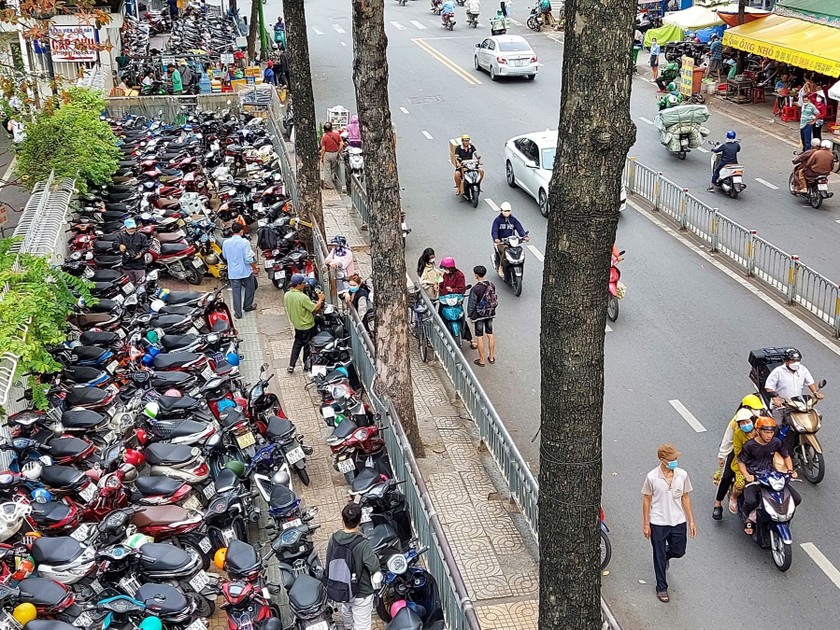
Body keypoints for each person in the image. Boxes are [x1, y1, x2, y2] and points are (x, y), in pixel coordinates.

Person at [641, 444, 696, 604]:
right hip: (658, 522)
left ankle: (665, 556)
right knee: (658, 554)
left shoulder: (682, 475)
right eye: (671, 459)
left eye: (676, 459)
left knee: (679, 551)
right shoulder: (652, 477)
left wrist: (691, 520)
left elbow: (685, 497)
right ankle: (661, 587)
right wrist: (646, 524)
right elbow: (646, 499)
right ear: (662, 460)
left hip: (678, 520)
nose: (674, 462)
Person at [738, 417, 801, 535]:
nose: (769, 435)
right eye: (766, 432)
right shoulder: (749, 445)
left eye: (771, 432)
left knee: (796, 498)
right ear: (759, 431)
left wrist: (790, 470)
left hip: (771, 476)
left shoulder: (776, 442)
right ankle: (749, 518)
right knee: (750, 500)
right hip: (754, 476)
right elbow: (741, 462)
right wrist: (747, 475)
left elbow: (786, 456)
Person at [325, 502, 381, 630]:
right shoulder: (362, 543)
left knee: (347, 615)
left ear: (342, 519)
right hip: (361, 592)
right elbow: (373, 566)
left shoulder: (334, 538)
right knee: (362, 626)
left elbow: (328, 563)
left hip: (341, 590)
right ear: (360, 520)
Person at [712, 395, 766, 520]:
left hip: (756, 451)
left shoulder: (760, 421)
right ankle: (718, 503)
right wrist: (722, 456)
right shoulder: (735, 423)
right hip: (737, 451)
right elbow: (727, 441)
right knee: (726, 476)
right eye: (754, 409)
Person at [764, 347, 824, 424]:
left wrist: (815, 392)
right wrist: (775, 399)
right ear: (786, 361)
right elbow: (769, 387)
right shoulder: (778, 371)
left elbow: (810, 382)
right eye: (793, 361)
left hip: (798, 404)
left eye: (798, 361)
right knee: (777, 425)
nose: (796, 363)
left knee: (817, 417)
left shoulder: (802, 369)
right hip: (782, 405)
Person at [284, 273, 325, 373]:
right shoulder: (302, 297)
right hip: (307, 326)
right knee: (308, 346)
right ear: (298, 285)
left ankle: (291, 365)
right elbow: (315, 308)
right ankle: (306, 365)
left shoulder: (287, 295)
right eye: (303, 283)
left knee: (297, 345)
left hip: (297, 325)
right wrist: (320, 299)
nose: (304, 285)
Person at [221, 223, 258, 319]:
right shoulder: (244, 242)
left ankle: (238, 313)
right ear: (241, 231)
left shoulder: (226, 243)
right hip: (245, 271)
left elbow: (224, 256)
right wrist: (254, 268)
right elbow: (248, 258)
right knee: (250, 288)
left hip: (233, 272)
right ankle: (247, 306)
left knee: (236, 293)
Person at [438, 257, 474, 348]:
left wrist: (452, 289)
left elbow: (461, 289)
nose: (444, 271)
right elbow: (442, 284)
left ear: (450, 268)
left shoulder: (459, 275)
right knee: (440, 316)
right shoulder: (445, 275)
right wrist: (438, 287)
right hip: (445, 300)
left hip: (456, 301)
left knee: (461, 318)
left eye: (445, 268)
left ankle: (470, 339)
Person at [467, 266, 497, 366]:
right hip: (490, 313)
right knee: (490, 334)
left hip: (479, 315)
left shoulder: (475, 289)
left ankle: (482, 360)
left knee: (479, 336)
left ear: (476, 275)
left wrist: (471, 315)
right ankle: (492, 357)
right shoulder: (491, 285)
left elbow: (471, 304)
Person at [491, 202, 528, 277]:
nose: (507, 212)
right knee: (505, 249)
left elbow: (519, 229)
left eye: (508, 211)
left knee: (519, 250)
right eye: (505, 211)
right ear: (501, 211)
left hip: (511, 241)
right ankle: (501, 267)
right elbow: (494, 231)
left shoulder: (513, 220)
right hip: (501, 242)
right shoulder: (497, 220)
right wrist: (496, 239)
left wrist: (524, 236)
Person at [116, 218, 149, 284]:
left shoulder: (142, 236)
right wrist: (119, 245)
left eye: (133, 228)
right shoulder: (120, 236)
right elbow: (114, 244)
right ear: (125, 227)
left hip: (139, 265)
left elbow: (146, 247)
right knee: (129, 284)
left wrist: (140, 253)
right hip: (126, 265)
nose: (132, 230)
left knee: (141, 284)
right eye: (130, 228)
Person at [320, 121, 344, 193]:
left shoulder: (324, 137)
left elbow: (323, 149)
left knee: (327, 170)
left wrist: (322, 157)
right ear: (331, 128)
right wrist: (338, 151)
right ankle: (329, 180)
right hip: (335, 154)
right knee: (333, 168)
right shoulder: (336, 135)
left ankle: (330, 185)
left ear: (324, 129)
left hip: (327, 154)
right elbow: (341, 143)